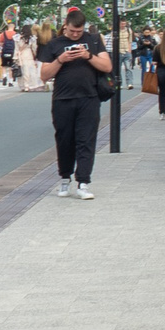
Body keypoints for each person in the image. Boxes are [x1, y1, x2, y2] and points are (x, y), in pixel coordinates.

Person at [39, 10, 110, 199]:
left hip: (89, 97)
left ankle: (84, 182)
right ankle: (65, 178)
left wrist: (88, 56)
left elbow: (107, 66)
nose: (75, 35)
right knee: (64, 140)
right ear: (65, 25)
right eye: (72, 31)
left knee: (86, 140)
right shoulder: (55, 44)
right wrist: (61, 59)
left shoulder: (94, 40)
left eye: (79, 32)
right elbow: (44, 75)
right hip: (63, 99)